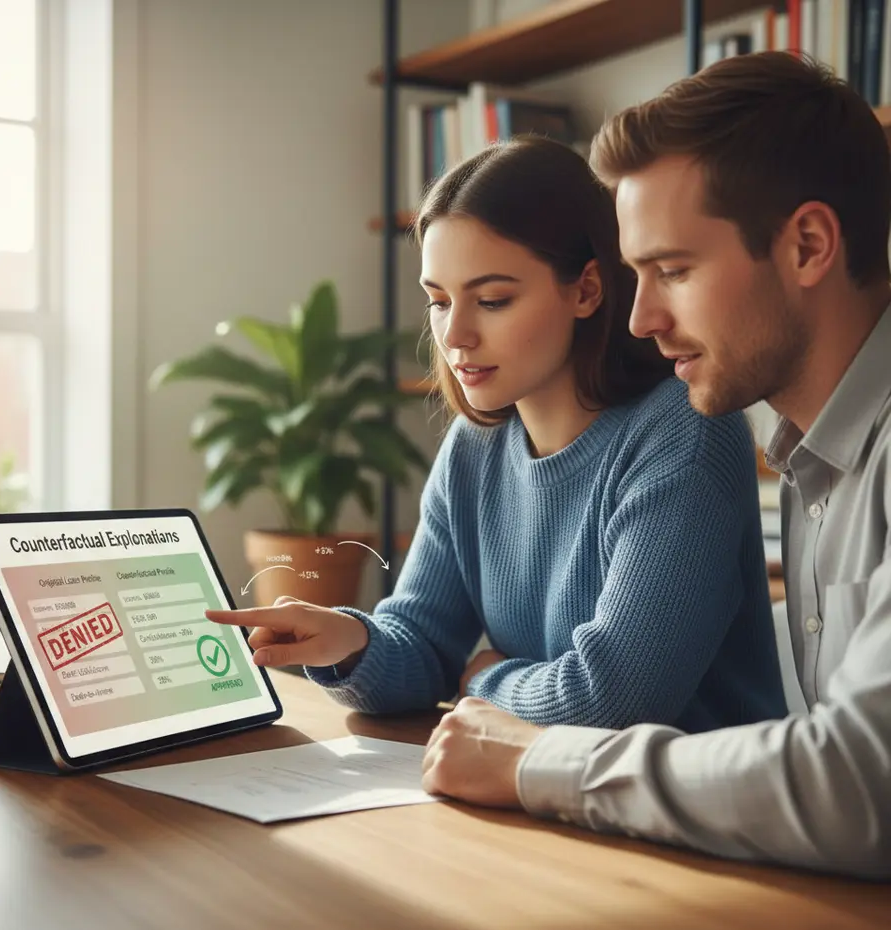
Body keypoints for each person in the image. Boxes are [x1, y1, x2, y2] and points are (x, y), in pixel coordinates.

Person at [419, 51, 891, 880]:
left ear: (809, 245)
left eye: (672, 270)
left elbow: (860, 782)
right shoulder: (816, 465)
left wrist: (534, 758)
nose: (638, 318)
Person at [207, 135, 786, 735]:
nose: (454, 334)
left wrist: (484, 681)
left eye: (491, 300)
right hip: (545, 792)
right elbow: (424, 645)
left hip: (684, 813)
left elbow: (612, 701)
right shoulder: (475, 447)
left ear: (587, 289)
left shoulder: (684, 437)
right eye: (438, 301)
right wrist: (348, 642)